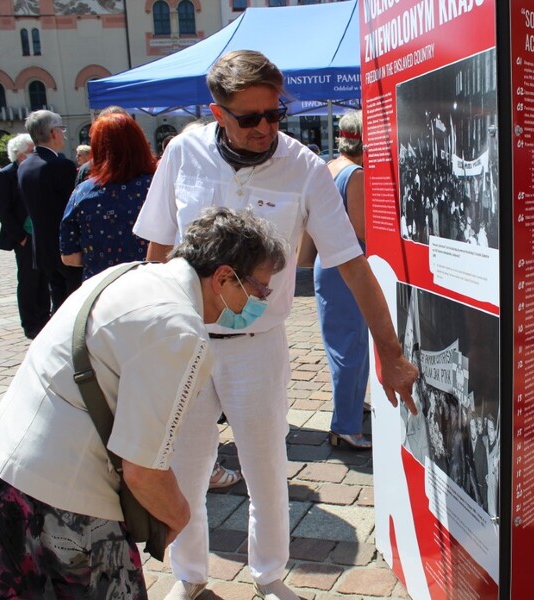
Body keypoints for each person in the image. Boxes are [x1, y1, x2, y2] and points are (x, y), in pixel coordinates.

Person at [132, 50, 418, 600]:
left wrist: (389, 350)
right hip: (187, 339)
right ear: (218, 112)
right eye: (250, 118)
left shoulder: (304, 166)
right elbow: (158, 248)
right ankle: (189, 575)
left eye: (275, 113)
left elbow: (351, 263)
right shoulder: (183, 153)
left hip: (257, 346)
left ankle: (268, 575)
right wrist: (146, 335)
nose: (266, 128)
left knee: (265, 467)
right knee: (187, 467)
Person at [0, 207, 287, 599]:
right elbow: (143, 470)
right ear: (224, 277)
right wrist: (178, 515)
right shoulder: (180, 330)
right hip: (58, 504)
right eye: (260, 290)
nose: (261, 302)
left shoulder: (128, 274)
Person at [314, 111, 371, 450]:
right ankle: (346, 425)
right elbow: (361, 230)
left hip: (329, 263)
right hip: (348, 267)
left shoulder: (330, 167)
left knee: (345, 344)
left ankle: (351, 407)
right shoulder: (355, 174)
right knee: (351, 346)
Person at [60, 113, 155, 280]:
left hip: (102, 287)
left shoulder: (83, 192)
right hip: (152, 284)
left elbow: (69, 257)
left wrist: (99, 259)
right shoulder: (157, 186)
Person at [18, 109, 82, 310]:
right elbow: (74, 209)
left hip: (43, 248)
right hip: (66, 248)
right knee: (74, 304)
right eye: (62, 129)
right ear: (53, 133)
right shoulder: (60, 165)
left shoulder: (24, 165)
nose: (64, 134)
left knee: (58, 300)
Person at [0, 133, 50, 339]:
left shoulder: (36, 169)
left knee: (44, 278)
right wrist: (21, 237)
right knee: (28, 281)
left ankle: (44, 318)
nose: (35, 155)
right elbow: (3, 210)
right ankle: (30, 323)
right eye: (31, 151)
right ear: (19, 154)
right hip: (25, 236)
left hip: (41, 233)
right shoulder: (6, 175)